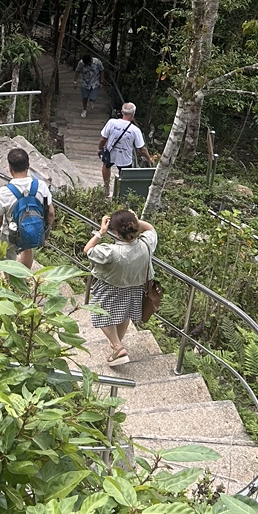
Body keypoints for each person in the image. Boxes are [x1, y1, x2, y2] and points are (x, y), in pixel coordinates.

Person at [83, 209, 157, 365]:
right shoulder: (146, 244)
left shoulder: (111, 251)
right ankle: (118, 344)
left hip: (111, 287)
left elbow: (88, 250)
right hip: (136, 287)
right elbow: (150, 228)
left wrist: (100, 232)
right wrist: (136, 220)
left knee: (100, 314)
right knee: (125, 314)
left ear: (115, 232)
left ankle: (117, 346)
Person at [0, 146, 54, 270]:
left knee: (7, 258)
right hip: (32, 229)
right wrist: (45, 229)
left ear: (10, 169)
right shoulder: (41, 186)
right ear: (28, 165)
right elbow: (51, 213)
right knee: (27, 247)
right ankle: (24, 278)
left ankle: (10, 282)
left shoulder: (4, 192)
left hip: (10, 234)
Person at [97, 101, 147, 197]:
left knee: (106, 166)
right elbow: (141, 149)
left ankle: (106, 188)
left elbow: (103, 139)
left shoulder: (111, 122)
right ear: (133, 114)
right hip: (125, 156)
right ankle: (121, 193)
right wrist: (149, 159)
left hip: (110, 152)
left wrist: (100, 149)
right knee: (124, 173)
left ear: (122, 112)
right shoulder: (135, 130)